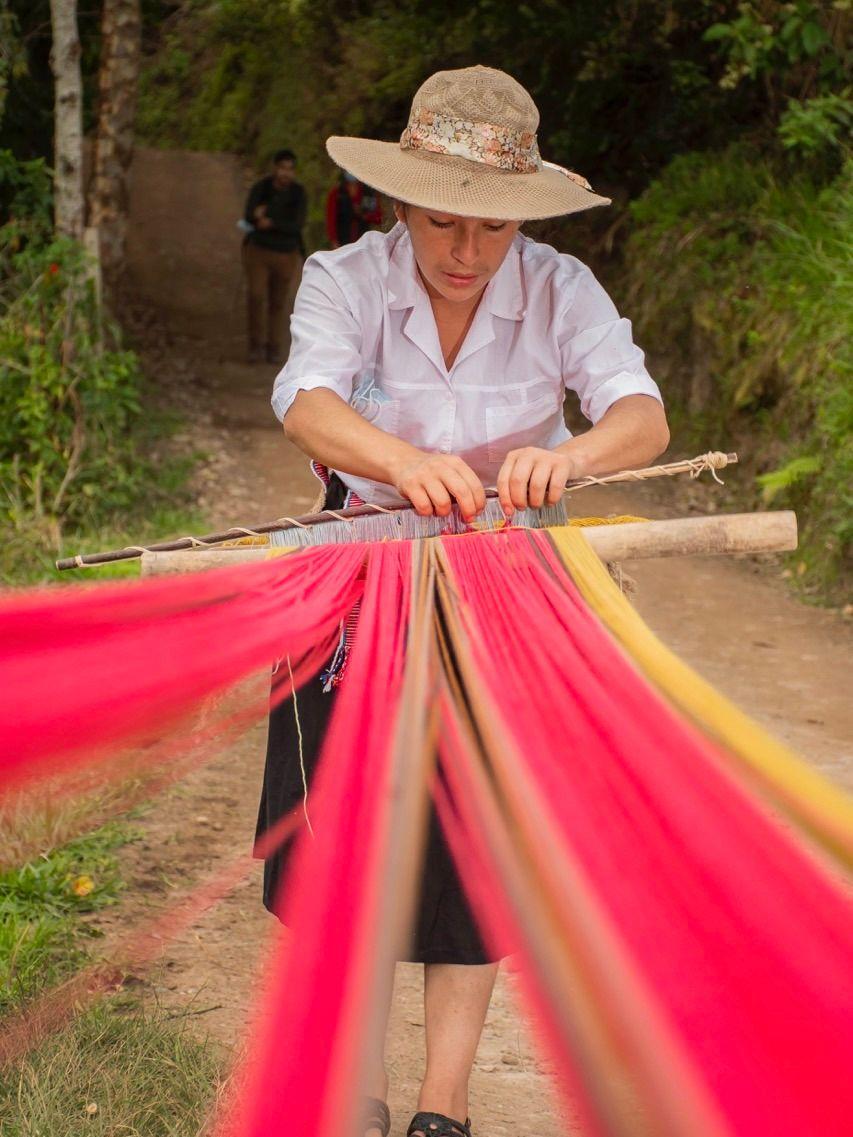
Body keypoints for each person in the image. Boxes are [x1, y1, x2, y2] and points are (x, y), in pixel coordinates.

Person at [256, 66, 669, 1137]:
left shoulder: (561, 289)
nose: (464, 252)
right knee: (337, 837)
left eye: (491, 230)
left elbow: (640, 415)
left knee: (471, 842)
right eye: (443, 223)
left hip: (506, 595)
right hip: (359, 575)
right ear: (400, 203)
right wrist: (398, 459)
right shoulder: (342, 278)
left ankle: (444, 1104)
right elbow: (305, 402)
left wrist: (568, 460)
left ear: (523, 220)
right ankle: (351, 1087)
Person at [243, 148, 307, 364]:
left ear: (294, 172)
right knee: (256, 296)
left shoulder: (298, 194)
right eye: (282, 168)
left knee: (278, 303)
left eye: (289, 169)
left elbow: (296, 225)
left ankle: (274, 347)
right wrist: (258, 218)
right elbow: (248, 216)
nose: (285, 173)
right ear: (275, 168)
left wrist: (270, 222)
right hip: (259, 250)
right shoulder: (261, 188)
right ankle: (255, 345)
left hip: (286, 253)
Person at [325, 170, 383, 248]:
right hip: (343, 242)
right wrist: (334, 241)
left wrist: (365, 215)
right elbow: (330, 220)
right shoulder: (336, 194)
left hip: (364, 243)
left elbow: (378, 217)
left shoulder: (368, 193)